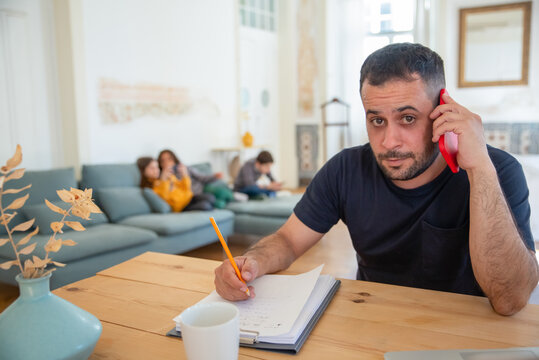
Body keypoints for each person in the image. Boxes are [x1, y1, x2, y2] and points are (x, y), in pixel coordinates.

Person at [214, 43, 539, 315]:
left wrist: (479, 168)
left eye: (407, 118)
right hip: (374, 321)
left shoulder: (496, 171)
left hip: (463, 330)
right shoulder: (345, 169)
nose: (388, 141)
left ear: (443, 109)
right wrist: (252, 261)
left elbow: (510, 299)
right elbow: (287, 241)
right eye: (377, 120)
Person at [158, 149, 222, 211]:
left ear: (174, 159)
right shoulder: (163, 178)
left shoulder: (185, 168)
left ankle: (218, 204)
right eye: (163, 161)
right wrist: (164, 179)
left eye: (169, 159)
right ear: (160, 164)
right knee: (205, 206)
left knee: (210, 198)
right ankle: (215, 206)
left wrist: (184, 174)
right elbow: (167, 195)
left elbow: (201, 177)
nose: (167, 162)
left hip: (193, 195)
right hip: (184, 201)